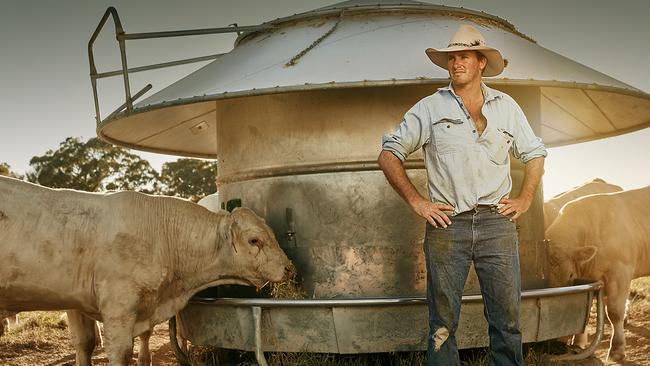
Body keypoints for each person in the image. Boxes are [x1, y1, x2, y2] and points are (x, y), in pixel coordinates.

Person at [378, 24, 547, 366]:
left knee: (508, 322)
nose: (456, 63)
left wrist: (526, 199)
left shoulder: (507, 107)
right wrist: (418, 201)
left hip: (497, 225)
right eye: (452, 57)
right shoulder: (429, 108)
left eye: (464, 56)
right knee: (442, 325)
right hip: (447, 226)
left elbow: (535, 153)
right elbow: (388, 154)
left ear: (481, 62)